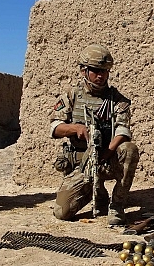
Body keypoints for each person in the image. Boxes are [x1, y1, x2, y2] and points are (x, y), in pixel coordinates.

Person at [49, 44, 140, 225]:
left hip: (107, 161)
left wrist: (106, 153)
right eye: (96, 71)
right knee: (62, 213)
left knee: (129, 149)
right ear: (84, 70)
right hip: (81, 165)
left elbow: (123, 131)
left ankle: (117, 205)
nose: (101, 76)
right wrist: (76, 129)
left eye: (105, 72)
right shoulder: (71, 96)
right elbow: (55, 127)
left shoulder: (117, 100)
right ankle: (97, 192)